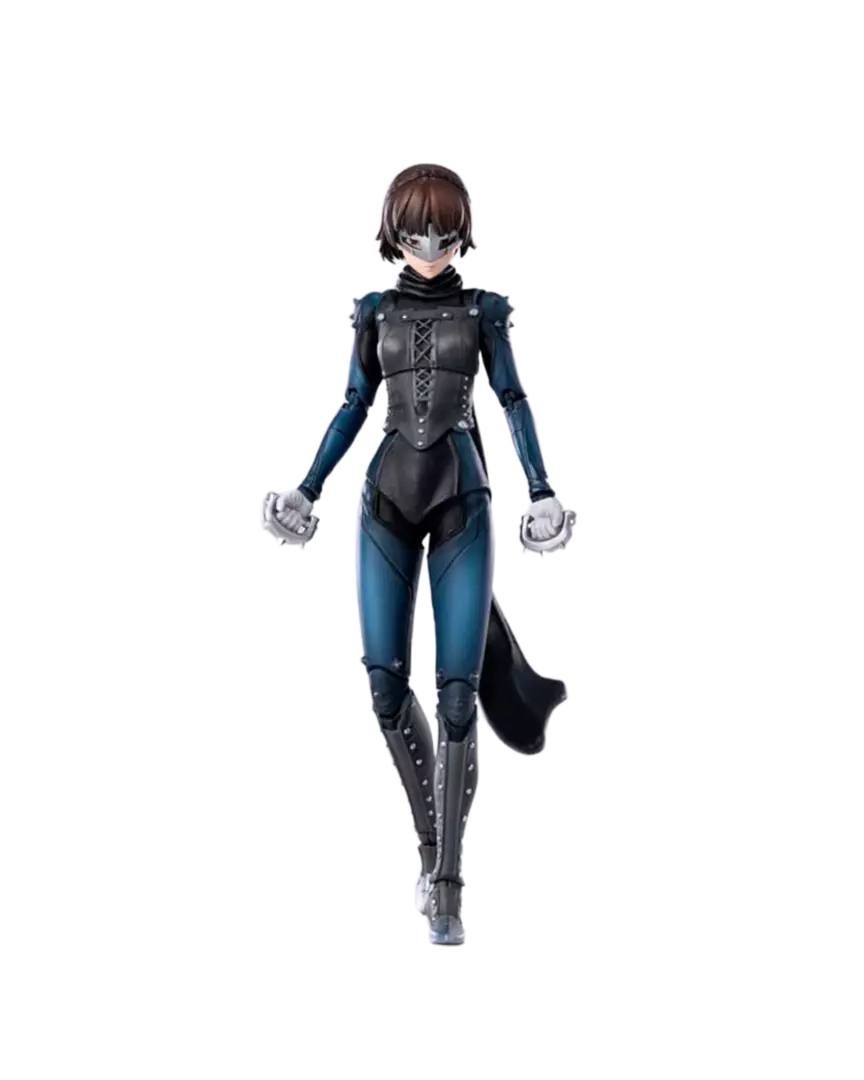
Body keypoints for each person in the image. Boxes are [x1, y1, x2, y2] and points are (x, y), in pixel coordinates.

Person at [269, 163, 568, 948]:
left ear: (462, 231)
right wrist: (307, 487)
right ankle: (434, 845)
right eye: (415, 230)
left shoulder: (484, 311)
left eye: (443, 230)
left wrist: (540, 489)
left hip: (462, 498)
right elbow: (352, 407)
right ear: (392, 234)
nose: (430, 244)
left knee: (458, 694)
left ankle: (447, 887)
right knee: (384, 688)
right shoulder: (373, 313)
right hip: (385, 502)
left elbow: (513, 401)